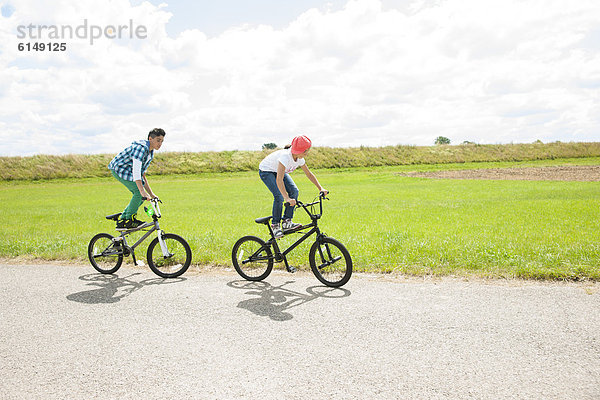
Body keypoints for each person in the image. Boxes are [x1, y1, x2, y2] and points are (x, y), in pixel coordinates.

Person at [258, 135, 328, 238]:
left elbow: (308, 174)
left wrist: (320, 188)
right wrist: (286, 198)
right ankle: (275, 226)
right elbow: (279, 179)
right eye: (305, 152)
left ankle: (287, 222)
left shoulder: (299, 158)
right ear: (298, 150)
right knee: (279, 196)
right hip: (266, 171)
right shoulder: (285, 157)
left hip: (277, 171)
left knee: (294, 191)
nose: (306, 154)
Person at [108, 128, 165, 230]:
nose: (160, 143)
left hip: (129, 170)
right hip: (119, 168)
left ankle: (123, 219)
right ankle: (129, 220)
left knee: (143, 195)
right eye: (158, 140)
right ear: (150, 139)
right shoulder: (141, 148)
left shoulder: (150, 153)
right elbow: (136, 172)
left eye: (162, 141)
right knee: (139, 193)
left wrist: (151, 194)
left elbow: (142, 174)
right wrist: (142, 191)